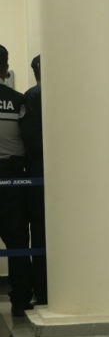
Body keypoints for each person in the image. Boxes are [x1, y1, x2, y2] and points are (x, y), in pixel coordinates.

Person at [0, 44, 33, 316]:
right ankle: (21, 299)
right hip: (13, 179)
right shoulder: (19, 100)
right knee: (18, 241)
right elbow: (30, 140)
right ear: (4, 68)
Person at [19, 54, 47, 305]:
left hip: (41, 172)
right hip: (44, 173)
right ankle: (44, 289)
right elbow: (33, 138)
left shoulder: (32, 96)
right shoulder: (35, 96)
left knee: (41, 233)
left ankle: (44, 290)